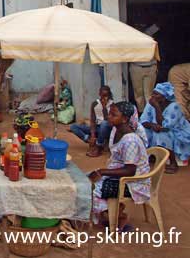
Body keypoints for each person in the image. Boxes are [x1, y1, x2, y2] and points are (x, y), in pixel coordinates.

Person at [88, 101, 150, 230]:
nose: (108, 117)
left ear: (125, 119)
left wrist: (102, 172)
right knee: (86, 178)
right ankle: (112, 212)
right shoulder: (116, 130)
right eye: (110, 113)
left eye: (113, 115)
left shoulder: (130, 140)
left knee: (90, 188)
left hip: (133, 182)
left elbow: (130, 170)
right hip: (121, 175)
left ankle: (118, 216)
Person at [140, 82, 190, 174]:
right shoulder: (151, 103)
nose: (153, 96)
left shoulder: (174, 106)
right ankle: (151, 155)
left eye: (156, 94)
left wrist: (156, 107)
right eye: (153, 93)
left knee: (163, 134)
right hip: (159, 128)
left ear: (164, 97)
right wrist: (152, 125)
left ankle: (173, 162)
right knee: (143, 131)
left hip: (178, 132)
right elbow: (143, 120)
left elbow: (165, 126)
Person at [69, 86, 114, 157]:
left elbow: (109, 120)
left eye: (106, 96)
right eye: (103, 95)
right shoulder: (95, 104)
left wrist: (104, 107)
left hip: (107, 129)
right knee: (73, 127)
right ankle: (90, 141)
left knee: (104, 123)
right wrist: (92, 135)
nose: (105, 98)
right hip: (98, 128)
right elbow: (93, 120)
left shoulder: (112, 104)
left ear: (109, 95)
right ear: (99, 94)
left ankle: (98, 145)